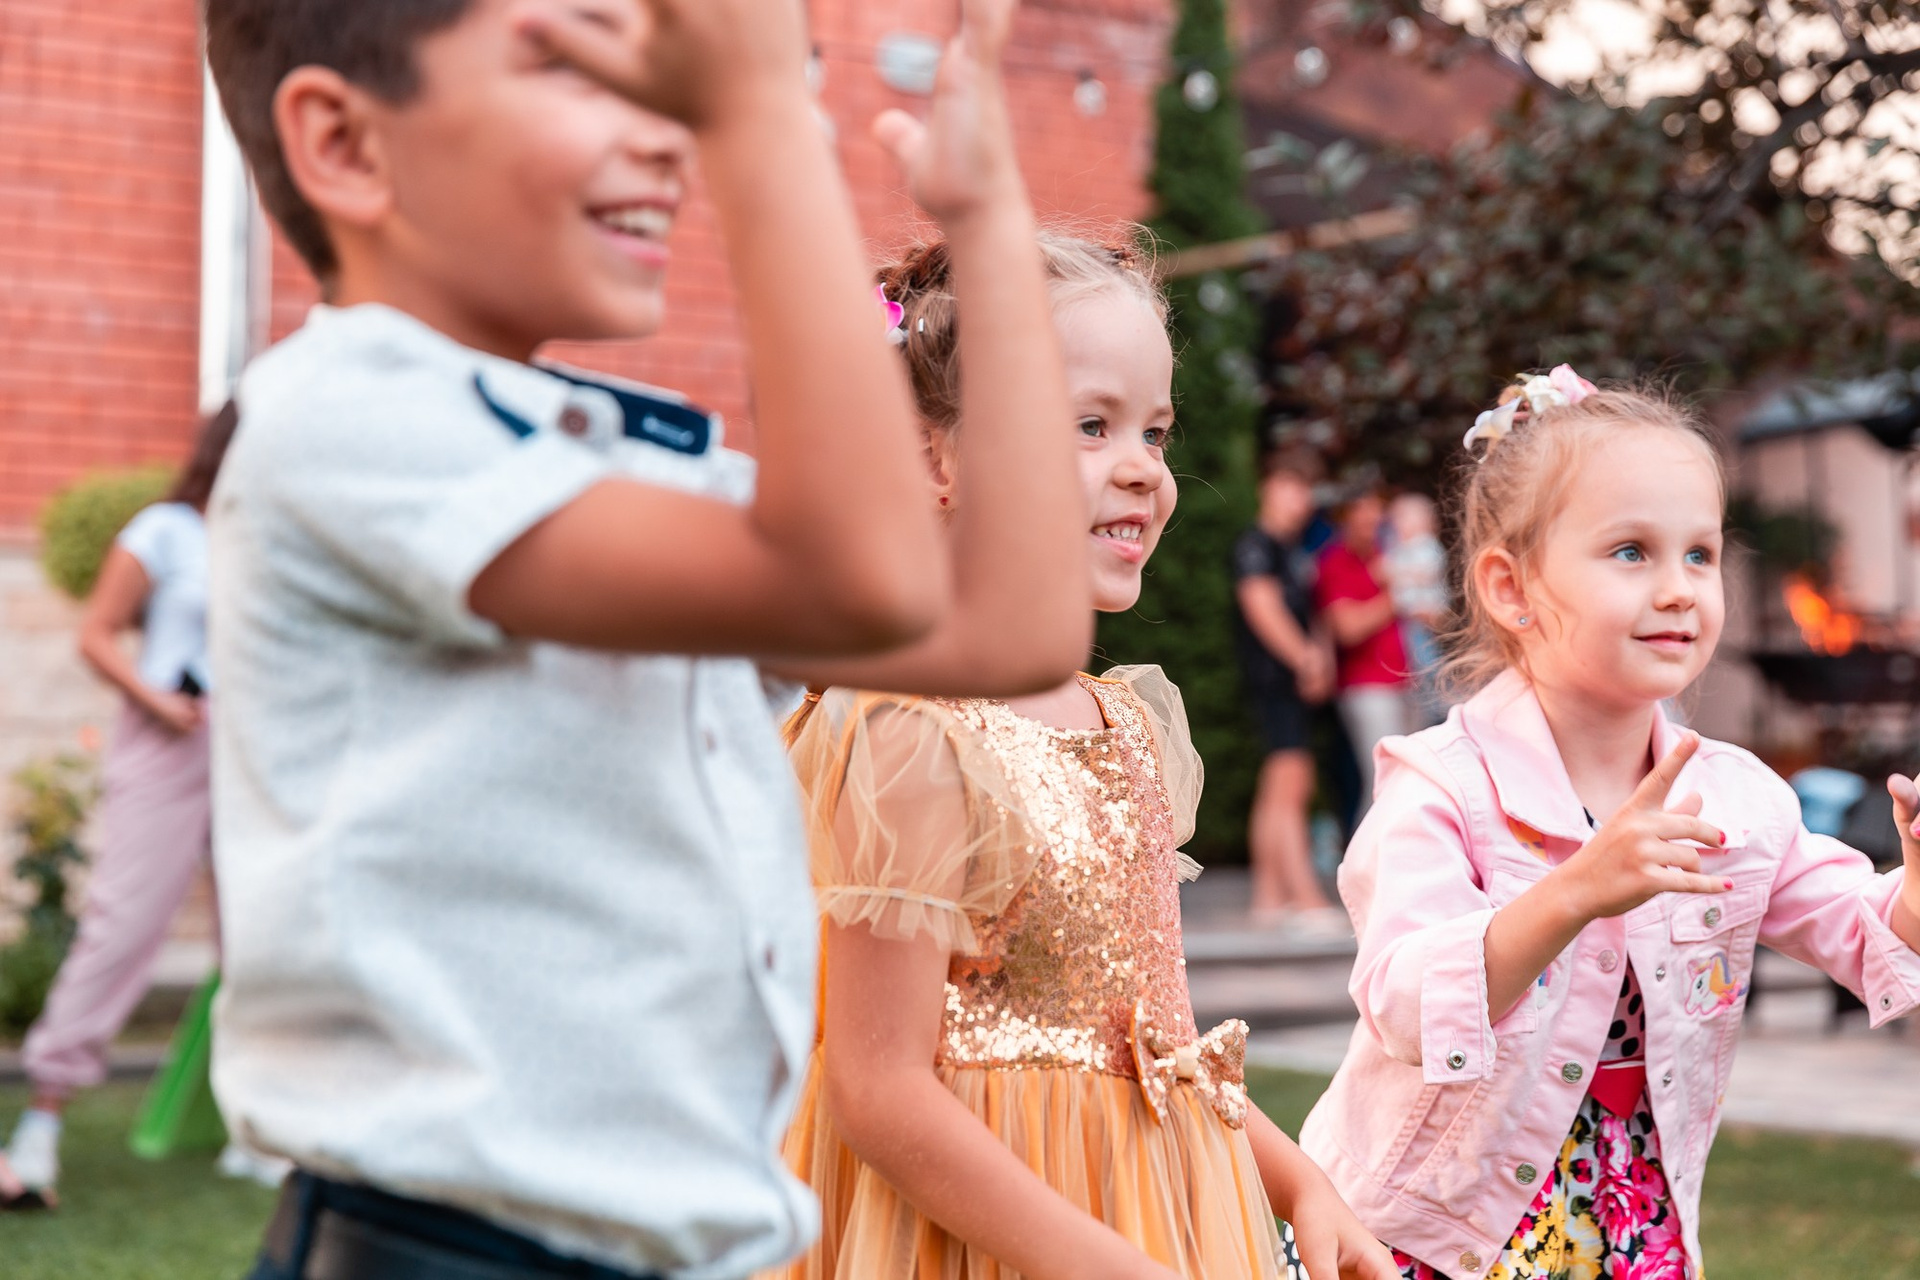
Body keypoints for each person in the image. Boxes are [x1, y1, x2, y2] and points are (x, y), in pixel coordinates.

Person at [199, 0, 1093, 1276]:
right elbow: (862, 580)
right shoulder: (345, 420)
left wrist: (992, 225)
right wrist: (763, 121)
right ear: (345, 143)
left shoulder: (601, 461)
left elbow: (1014, 625)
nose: (670, 132)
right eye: (578, 66)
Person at [761, 231, 1396, 1280]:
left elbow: (1154, 1043)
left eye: (1156, 430)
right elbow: (879, 1091)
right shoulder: (912, 733)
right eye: (1091, 425)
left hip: (1148, 1216)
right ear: (935, 459)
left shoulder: (1127, 723)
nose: (1143, 466)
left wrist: (1302, 1185)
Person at [1298, 368, 1920, 1280]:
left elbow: (1866, 932)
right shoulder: (1441, 787)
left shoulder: (1735, 800)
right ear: (1511, 587)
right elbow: (1405, 1005)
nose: (1679, 589)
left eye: (1700, 555)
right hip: (1426, 1239)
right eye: (1632, 552)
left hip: (1632, 1233)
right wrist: (1575, 891)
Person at [0, 405, 237, 1212]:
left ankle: (263, 1132)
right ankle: (42, 1120)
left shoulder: (274, 538)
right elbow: (97, 633)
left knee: (260, 938)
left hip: (252, 753)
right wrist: (157, 699)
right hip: (170, 737)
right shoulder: (166, 530)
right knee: (124, 924)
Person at [1233, 447, 1342, 924]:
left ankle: (1270, 899)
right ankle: (1304, 898)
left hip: (1285, 683)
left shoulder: (1290, 549)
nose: (1301, 499)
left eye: (1306, 490)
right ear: (1268, 487)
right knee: (1292, 784)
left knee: (1280, 787)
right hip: (1273, 681)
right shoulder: (1256, 546)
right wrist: (1306, 659)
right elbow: (1261, 606)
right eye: (1291, 486)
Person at [1317, 484, 1414, 816]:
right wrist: (1398, 594)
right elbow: (1347, 628)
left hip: (1407, 683)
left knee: (1405, 782)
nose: (1372, 518)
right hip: (1366, 686)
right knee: (1383, 782)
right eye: (1363, 511)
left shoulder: (1388, 555)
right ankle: (1366, 849)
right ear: (1345, 516)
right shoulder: (1335, 561)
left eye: (1376, 511)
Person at [1381, 491, 1449, 728]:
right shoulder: (1402, 547)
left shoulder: (1425, 545)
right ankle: (1430, 696)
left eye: (1403, 518)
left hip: (1424, 613)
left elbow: (1425, 572)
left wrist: (1396, 572)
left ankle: (1438, 699)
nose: (1397, 524)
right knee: (1416, 657)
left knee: (1426, 658)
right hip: (1411, 616)